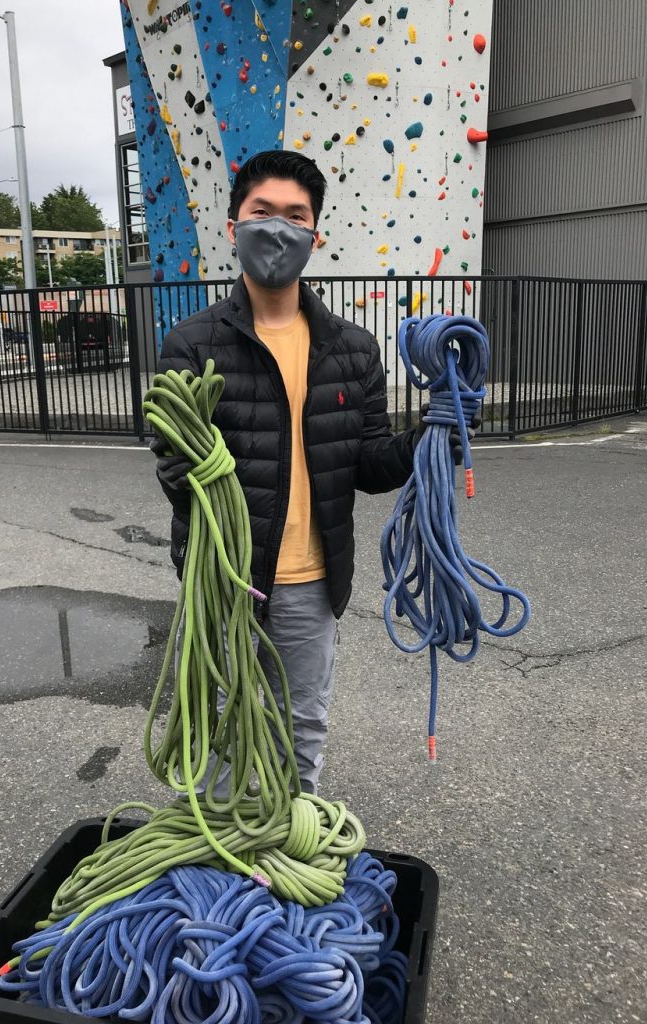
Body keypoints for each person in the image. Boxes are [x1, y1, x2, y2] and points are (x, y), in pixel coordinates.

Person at [152, 149, 474, 793]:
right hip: (225, 581)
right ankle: (226, 867)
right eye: (261, 212)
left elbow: (370, 463)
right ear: (232, 225)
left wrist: (437, 435)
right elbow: (175, 467)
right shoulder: (193, 342)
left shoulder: (352, 350)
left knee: (303, 727)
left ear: (315, 234)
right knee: (224, 726)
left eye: (294, 216)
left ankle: (288, 857)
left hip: (310, 581)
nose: (277, 229)